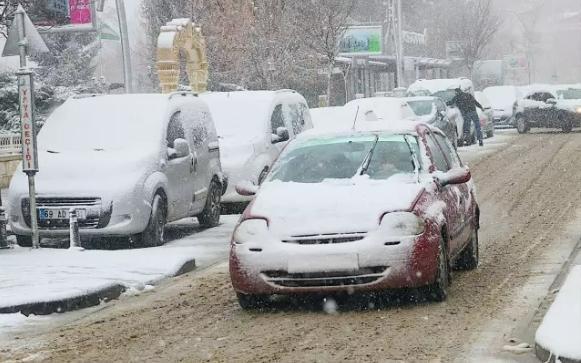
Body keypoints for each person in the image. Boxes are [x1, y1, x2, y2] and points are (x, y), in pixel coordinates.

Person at [447, 81, 485, 146]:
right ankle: (480, 140)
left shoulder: (457, 97)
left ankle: (468, 141)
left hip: (467, 114)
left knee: (467, 128)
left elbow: (450, 103)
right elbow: (475, 102)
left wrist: (444, 103)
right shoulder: (468, 95)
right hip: (473, 112)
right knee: (477, 126)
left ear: (456, 92)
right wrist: (481, 107)